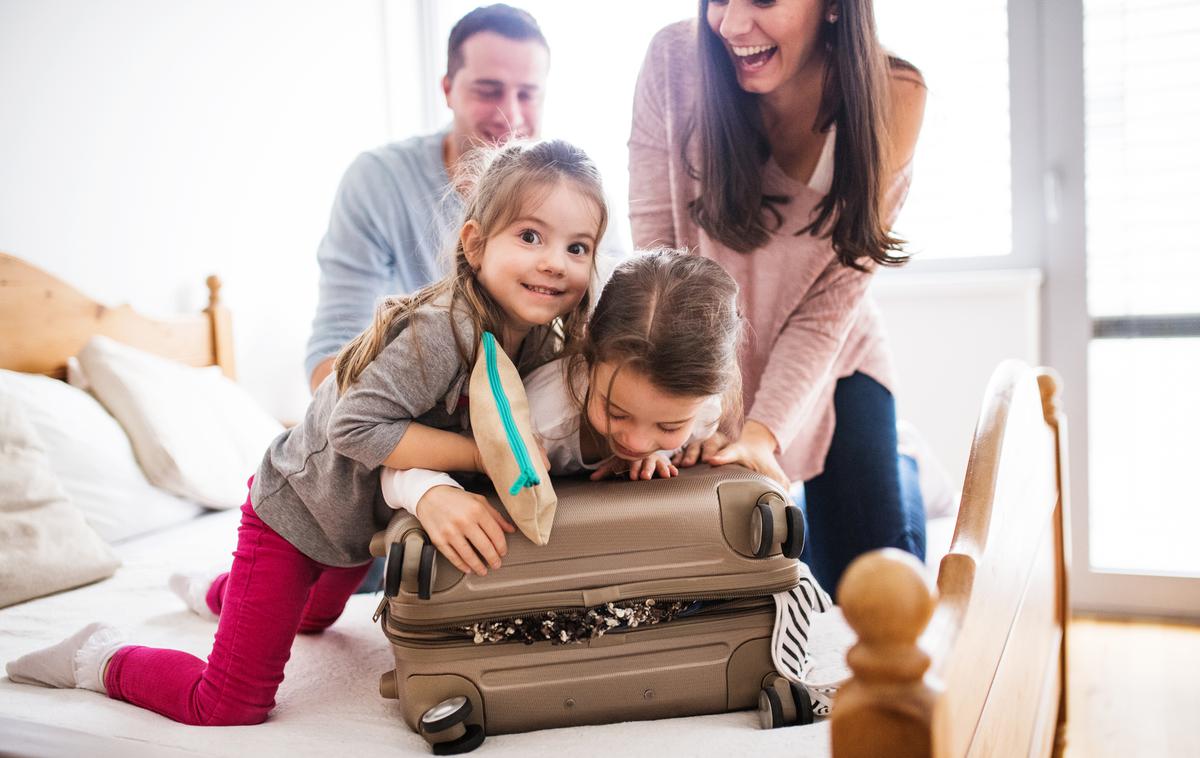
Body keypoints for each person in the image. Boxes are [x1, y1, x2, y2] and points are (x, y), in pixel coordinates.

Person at [4, 139, 609, 726]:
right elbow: (357, 428)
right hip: (294, 514)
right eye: (530, 236)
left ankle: (217, 593)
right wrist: (484, 455)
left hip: (357, 526)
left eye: (577, 247)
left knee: (315, 621)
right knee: (228, 705)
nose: (556, 261)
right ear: (475, 245)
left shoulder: (540, 345)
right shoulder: (439, 331)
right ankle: (99, 656)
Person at [382, 249, 840, 713]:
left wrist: (682, 450)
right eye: (616, 412)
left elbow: (687, 436)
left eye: (666, 427)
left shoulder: (702, 410)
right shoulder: (541, 412)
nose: (638, 441)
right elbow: (397, 458)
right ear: (587, 354)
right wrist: (429, 492)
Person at [627, 0, 928, 595]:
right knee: (747, 573)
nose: (732, 24)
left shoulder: (894, 94)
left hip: (833, 355)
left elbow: (830, 307)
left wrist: (764, 432)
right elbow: (657, 259)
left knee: (873, 581)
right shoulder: (674, 61)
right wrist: (699, 405)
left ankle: (903, 460)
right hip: (708, 351)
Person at [306, 3, 551, 393]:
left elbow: (611, 317)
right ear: (448, 90)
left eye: (527, 94)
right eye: (488, 91)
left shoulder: (572, 190)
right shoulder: (378, 182)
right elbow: (332, 357)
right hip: (410, 417)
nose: (510, 114)